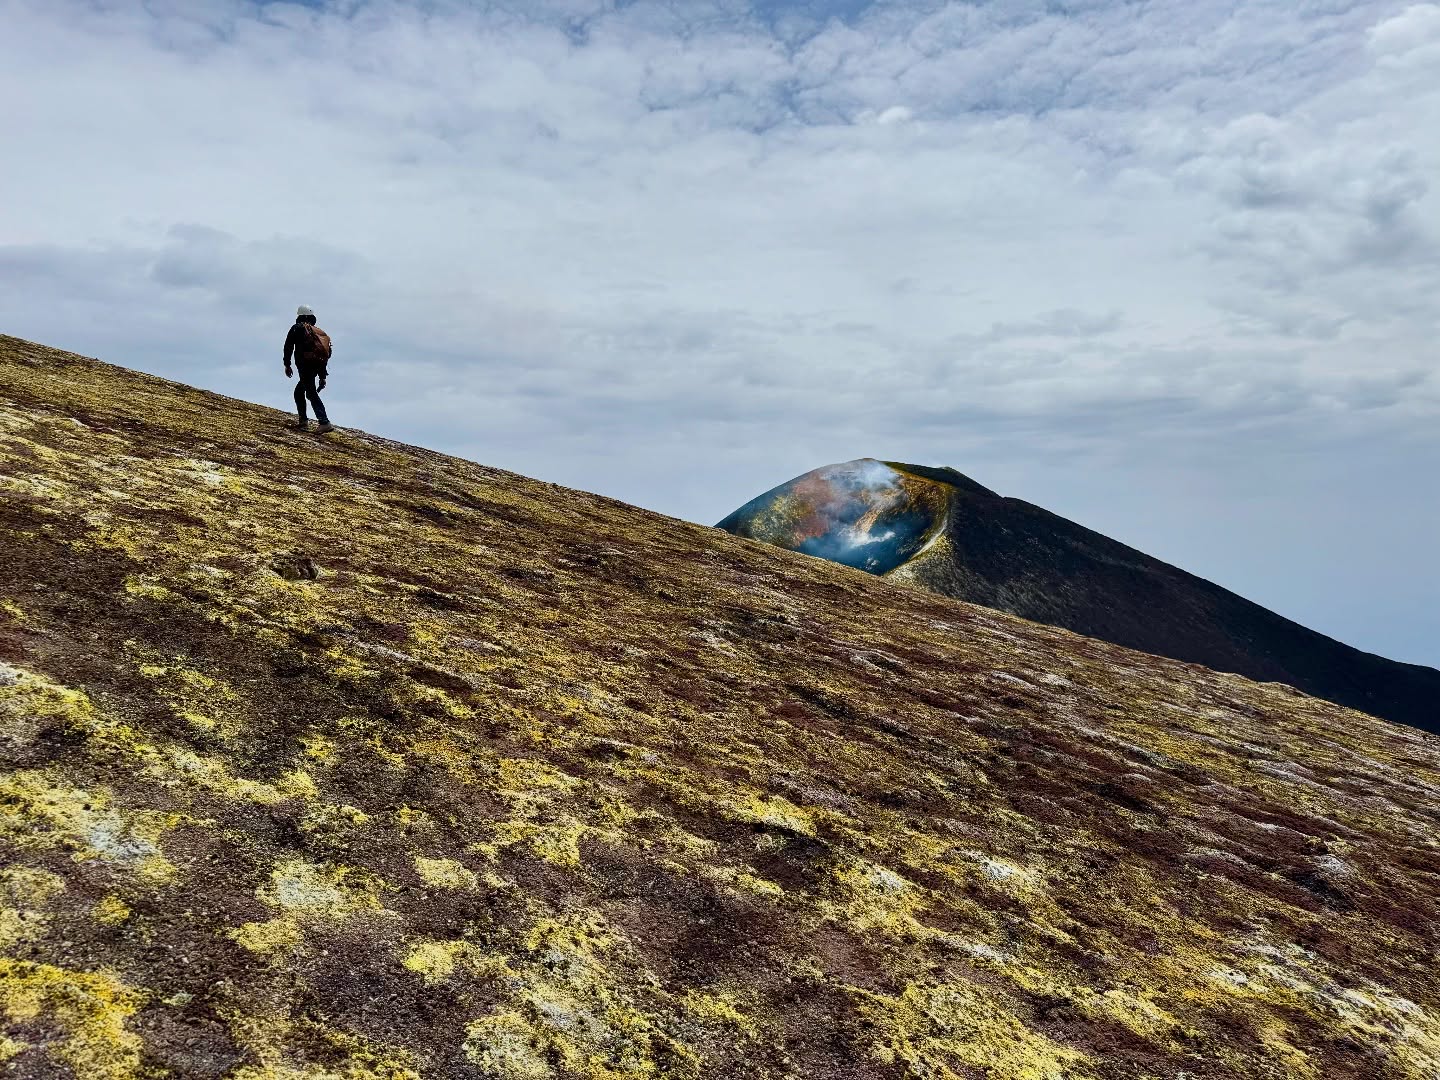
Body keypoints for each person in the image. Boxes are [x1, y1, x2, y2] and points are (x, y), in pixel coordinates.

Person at [283, 305, 335, 433]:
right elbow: (323, 356)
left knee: (311, 393)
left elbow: (288, 346)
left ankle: (324, 422)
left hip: (305, 366)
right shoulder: (318, 332)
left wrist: (287, 364)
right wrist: (322, 376)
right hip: (316, 368)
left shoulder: (297, 328)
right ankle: (303, 422)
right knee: (299, 392)